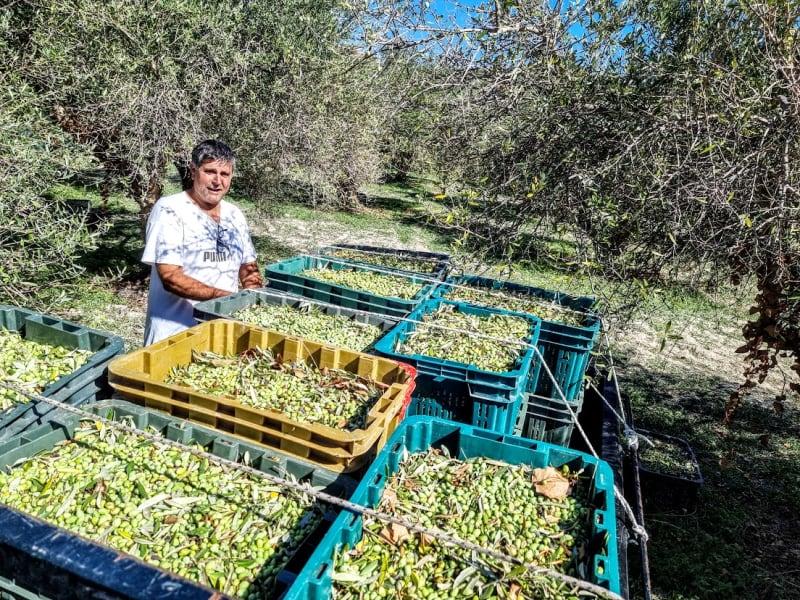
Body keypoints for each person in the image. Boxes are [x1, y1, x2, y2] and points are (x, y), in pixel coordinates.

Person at [142, 140, 263, 345]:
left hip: (220, 333)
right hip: (174, 335)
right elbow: (171, 278)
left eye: (225, 174)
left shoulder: (234, 214)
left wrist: (254, 299)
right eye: (210, 172)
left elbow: (249, 269)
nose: (217, 181)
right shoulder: (170, 209)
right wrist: (229, 300)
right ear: (193, 171)